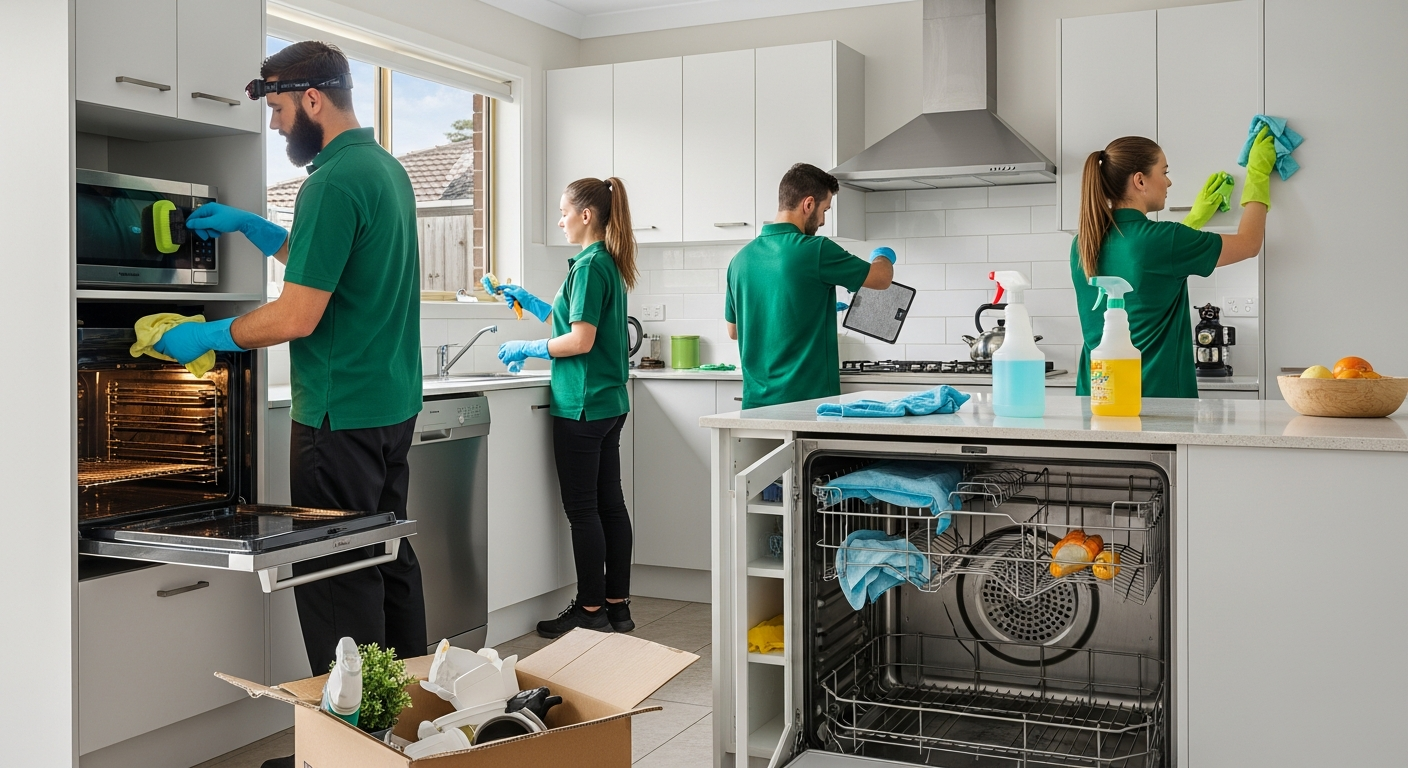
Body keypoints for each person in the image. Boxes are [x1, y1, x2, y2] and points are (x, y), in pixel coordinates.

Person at [153, 40, 426, 706]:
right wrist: (257, 228)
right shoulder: (383, 170)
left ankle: (344, 741)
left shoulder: (330, 182)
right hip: (389, 408)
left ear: (311, 98)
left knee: (338, 582)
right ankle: (399, 728)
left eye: (277, 109)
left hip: (338, 416)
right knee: (386, 564)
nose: (275, 126)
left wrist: (208, 335)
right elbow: (336, 263)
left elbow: (299, 315)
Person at [494, 178, 638, 638]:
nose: (560, 220)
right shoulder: (605, 264)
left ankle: (590, 609)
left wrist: (528, 346)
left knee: (584, 510)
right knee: (610, 505)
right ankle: (617, 607)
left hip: (581, 405)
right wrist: (533, 302)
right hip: (608, 402)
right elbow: (575, 321)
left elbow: (580, 339)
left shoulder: (589, 266)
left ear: (587, 215)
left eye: (564, 212)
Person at [1070, 131, 1277, 397]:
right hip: (1156, 404)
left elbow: (1149, 270)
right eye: (1164, 171)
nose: (1168, 182)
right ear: (1140, 181)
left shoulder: (1082, 243)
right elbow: (1249, 244)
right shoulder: (1164, 240)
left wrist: (1194, 220)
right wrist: (1258, 175)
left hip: (1096, 398)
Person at [726, 163, 894, 409]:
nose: (823, 220)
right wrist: (883, 256)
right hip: (807, 405)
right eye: (825, 209)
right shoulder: (815, 249)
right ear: (808, 204)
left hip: (755, 407)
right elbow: (881, 278)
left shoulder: (739, 260)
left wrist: (802, 312)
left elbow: (734, 331)